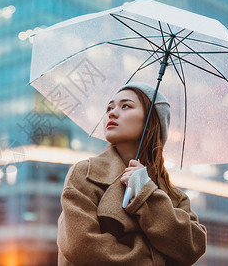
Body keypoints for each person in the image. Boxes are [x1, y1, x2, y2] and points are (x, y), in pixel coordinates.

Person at [57, 82, 207, 265]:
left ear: (151, 121)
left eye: (126, 106)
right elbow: (81, 246)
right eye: (109, 108)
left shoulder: (175, 197)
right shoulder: (85, 174)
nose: (112, 113)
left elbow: (192, 247)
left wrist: (146, 193)